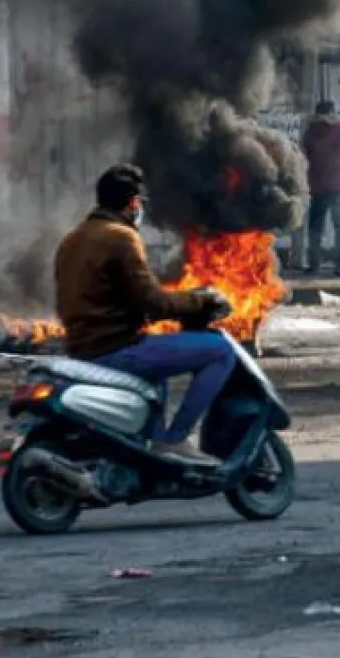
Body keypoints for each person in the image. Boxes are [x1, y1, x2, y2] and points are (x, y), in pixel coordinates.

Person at [54, 164, 231, 466]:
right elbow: (154, 303)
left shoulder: (73, 238)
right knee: (219, 352)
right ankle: (175, 439)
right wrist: (198, 301)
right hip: (114, 347)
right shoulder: (121, 237)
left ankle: (149, 440)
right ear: (133, 203)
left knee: (157, 365)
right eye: (141, 203)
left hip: (80, 347)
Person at [301, 100, 340, 276]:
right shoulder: (336, 130)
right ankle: (336, 265)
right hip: (329, 188)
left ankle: (318, 265)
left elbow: (304, 155)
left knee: (321, 229)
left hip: (326, 187)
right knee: (334, 229)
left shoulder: (312, 131)